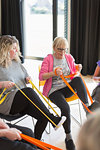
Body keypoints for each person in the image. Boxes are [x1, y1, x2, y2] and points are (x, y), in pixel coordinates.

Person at [0, 35, 66, 140]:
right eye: (13, 48)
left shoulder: (16, 62)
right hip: (6, 103)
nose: (16, 50)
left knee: (43, 116)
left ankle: (37, 143)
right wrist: (2, 84)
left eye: (17, 47)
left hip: (22, 100)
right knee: (28, 91)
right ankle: (53, 119)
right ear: (5, 50)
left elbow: (24, 76)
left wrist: (27, 78)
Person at [39, 37, 90, 150]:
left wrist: (78, 68)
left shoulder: (68, 57)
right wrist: (53, 73)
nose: (63, 52)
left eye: (65, 49)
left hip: (67, 88)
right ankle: (68, 137)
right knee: (65, 108)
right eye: (60, 49)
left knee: (78, 79)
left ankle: (87, 109)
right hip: (54, 91)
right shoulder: (48, 59)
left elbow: (73, 71)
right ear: (53, 48)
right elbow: (41, 76)